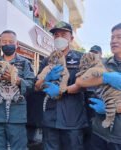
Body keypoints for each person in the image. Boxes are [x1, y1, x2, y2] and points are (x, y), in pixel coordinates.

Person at [35, 21, 88, 150]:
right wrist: (45, 80)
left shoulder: (81, 58)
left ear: (71, 38)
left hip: (72, 120)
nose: (59, 38)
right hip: (50, 119)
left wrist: (62, 90)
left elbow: (85, 84)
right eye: (56, 35)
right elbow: (36, 86)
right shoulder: (47, 60)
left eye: (63, 34)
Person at [0, 30, 35, 150]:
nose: (7, 44)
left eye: (11, 42)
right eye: (4, 41)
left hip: (17, 115)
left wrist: (16, 80)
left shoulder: (25, 63)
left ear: (17, 45)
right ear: (0, 44)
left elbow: (32, 85)